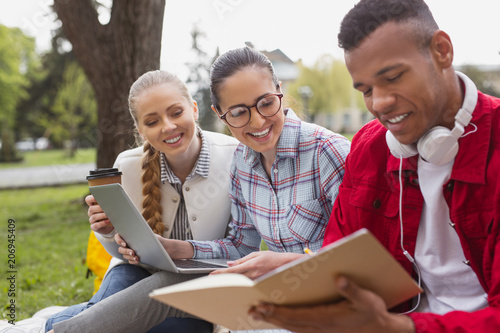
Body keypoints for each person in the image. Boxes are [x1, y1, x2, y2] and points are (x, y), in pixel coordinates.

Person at [47, 47, 351, 332]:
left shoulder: (328, 152)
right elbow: (240, 247)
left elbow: (366, 258)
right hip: (277, 297)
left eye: (267, 103)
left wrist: (282, 263)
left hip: (332, 304)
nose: (257, 120)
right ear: (220, 113)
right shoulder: (244, 161)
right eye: (239, 112)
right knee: (157, 288)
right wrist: (173, 248)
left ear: (280, 91)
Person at [248, 0, 500, 332]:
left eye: (393, 77)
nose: (379, 103)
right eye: (366, 90)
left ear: (442, 51)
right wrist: (294, 272)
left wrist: (392, 327)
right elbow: (342, 262)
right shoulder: (369, 147)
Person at [46, 70, 239, 333]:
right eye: (152, 121)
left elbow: (242, 247)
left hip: (203, 283)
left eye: (175, 112)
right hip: (137, 274)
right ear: (140, 129)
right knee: (118, 319)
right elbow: (122, 255)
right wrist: (109, 233)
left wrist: (181, 249)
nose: (168, 127)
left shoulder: (236, 158)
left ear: (194, 109)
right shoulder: (127, 165)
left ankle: (60, 326)